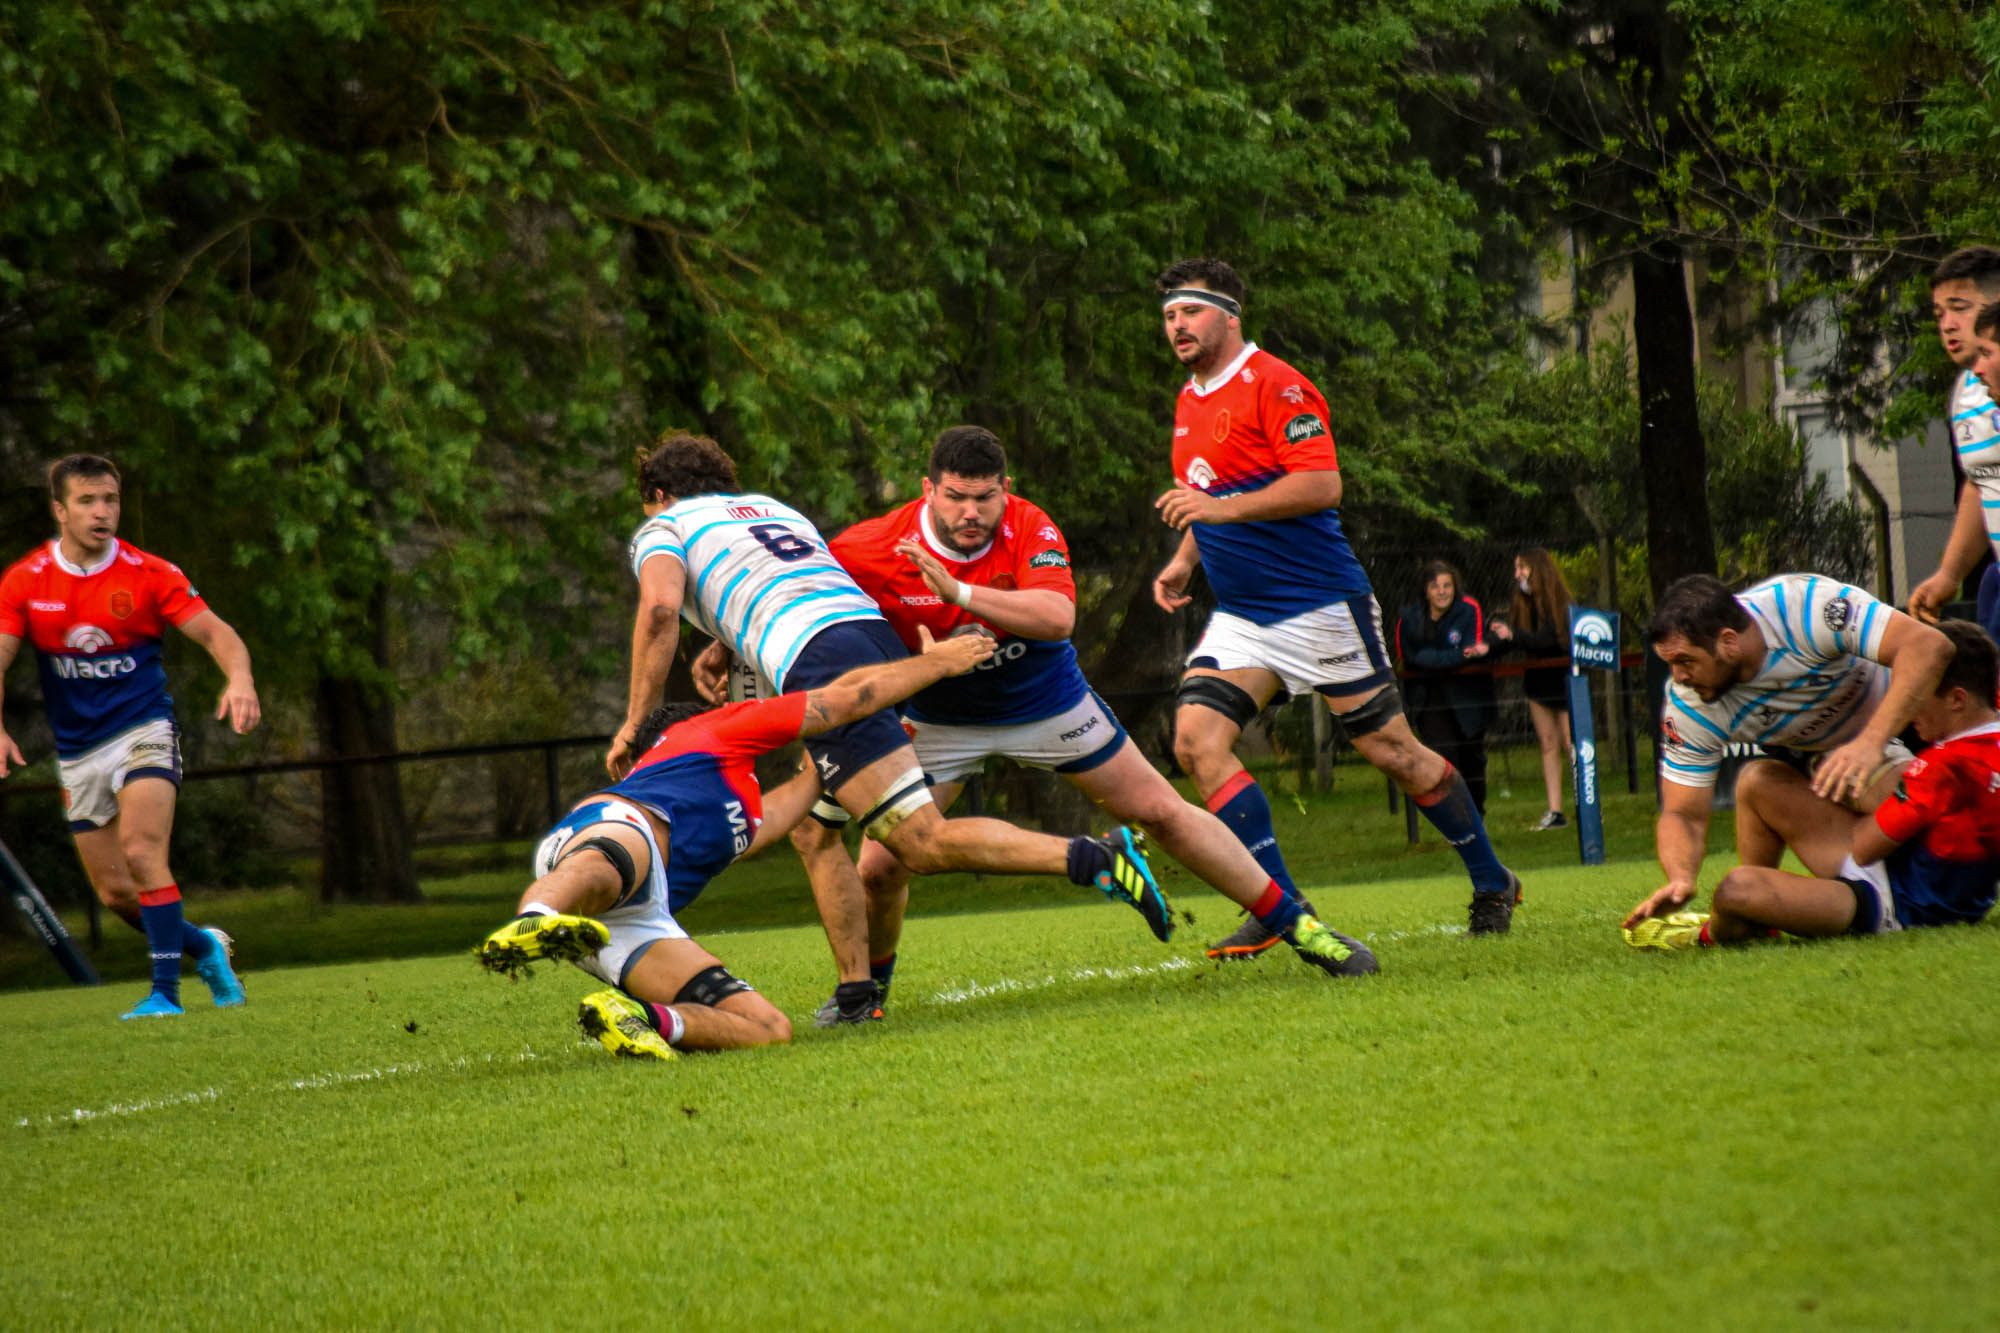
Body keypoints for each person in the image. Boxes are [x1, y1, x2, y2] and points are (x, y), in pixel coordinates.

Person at [788, 426, 1374, 1008]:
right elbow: (805, 604)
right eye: (956, 497)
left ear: (1006, 489)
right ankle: (870, 997)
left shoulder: (1029, 525)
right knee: (882, 866)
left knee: (1162, 812)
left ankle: (1303, 929)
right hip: (939, 718)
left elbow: (1057, 616)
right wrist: (726, 649)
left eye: (985, 497)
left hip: (1046, 701)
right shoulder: (867, 547)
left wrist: (959, 594)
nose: (971, 512)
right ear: (928, 490)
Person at [611, 431, 1170, 1027]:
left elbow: (662, 609)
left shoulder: (662, 528)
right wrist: (727, 644)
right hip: (870, 641)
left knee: (919, 841)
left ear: (658, 493)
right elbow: (789, 584)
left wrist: (637, 720)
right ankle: (857, 994)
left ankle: (1097, 859)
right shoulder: (771, 509)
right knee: (813, 829)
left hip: (819, 664)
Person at [1148, 258, 1523, 946]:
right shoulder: (1189, 400)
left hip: (1319, 604)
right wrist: (1181, 561)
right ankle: (1281, 904)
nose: (1177, 325)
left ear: (1229, 315)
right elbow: (1203, 499)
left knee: (1393, 750)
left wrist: (1219, 510)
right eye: (1170, 315)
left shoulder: (1279, 385)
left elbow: (1322, 485)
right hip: (1244, 618)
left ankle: (1493, 877)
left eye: (1190, 312)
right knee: (1197, 742)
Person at [478, 625, 998, 1059]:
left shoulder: (741, 807)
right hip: (615, 828)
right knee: (604, 869)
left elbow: (806, 787)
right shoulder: (713, 729)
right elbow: (842, 699)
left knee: (767, 1027)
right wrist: (939, 664)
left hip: (637, 918)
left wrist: (876, 739)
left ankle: (638, 1018)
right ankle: (536, 922)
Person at [0, 454, 256, 1019]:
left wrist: (239, 679)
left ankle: (164, 994)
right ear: (59, 510)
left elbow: (218, 634)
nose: (102, 511)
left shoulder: (150, 573)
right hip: (78, 749)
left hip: (143, 729)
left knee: (143, 852)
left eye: (110, 500)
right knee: (116, 894)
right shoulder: (26, 581)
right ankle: (203, 946)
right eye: (87, 501)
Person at [1624, 620, 2000, 949]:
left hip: (1894, 903)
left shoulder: (1942, 767)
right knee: (1758, 779)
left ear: (1956, 699)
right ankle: (1768, 918)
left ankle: (1709, 935)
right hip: (1928, 879)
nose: (1909, 705)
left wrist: (1838, 782)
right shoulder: (1982, 740)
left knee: (1738, 889)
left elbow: (1866, 848)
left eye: (1919, 694)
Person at [1907, 246, 2000, 645]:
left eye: (1959, 308)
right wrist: (1949, 573)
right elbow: (1980, 483)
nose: (1947, 324)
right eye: (1939, 313)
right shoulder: (1966, 391)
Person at [1394, 561, 1496, 813]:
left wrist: (1429, 658)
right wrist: (1446, 657)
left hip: (1467, 697)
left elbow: (1470, 652)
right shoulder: (1409, 618)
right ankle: (1456, 817)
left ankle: (1476, 814)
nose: (1442, 591)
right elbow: (1407, 656)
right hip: (1429, 699)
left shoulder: (1469, 610)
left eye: (1447, 585)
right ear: (1426, 590)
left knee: (1472, 758)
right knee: (1444, 758)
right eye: (1435, 586)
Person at [1489, 548, 1573, 830]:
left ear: (1538, 569)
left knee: (1571, 744)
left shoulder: (1561, 604)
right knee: (1548, 745)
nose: (1518, 575)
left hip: (1565, 680)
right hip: (1537, 682)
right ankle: (1555, 811)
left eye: (1522, 568)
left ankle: (1588, 803)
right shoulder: (1521, 603)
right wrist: (1487, 648)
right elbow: (1517, 639)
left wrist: (1514, 636)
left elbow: (1547, 640)